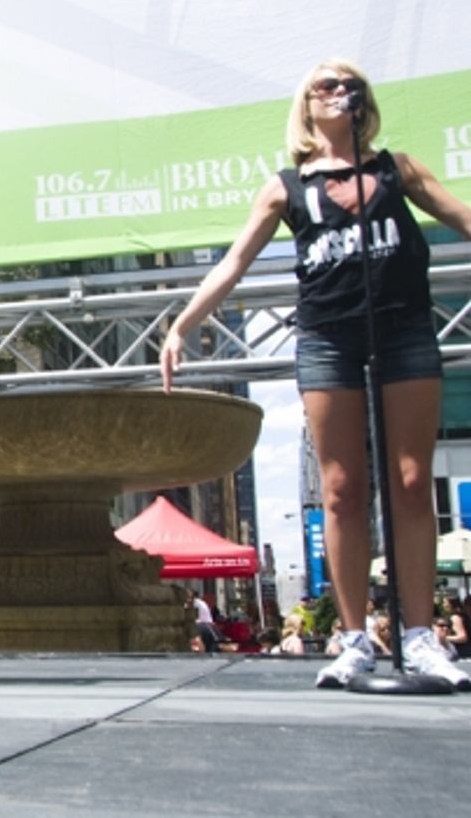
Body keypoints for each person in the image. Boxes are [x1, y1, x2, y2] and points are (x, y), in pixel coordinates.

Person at [161, 58, 471, 690]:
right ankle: (354, 639)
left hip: (405, 329)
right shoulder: (285, 187)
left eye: (349, 85)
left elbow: (462, 215)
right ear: (306, 107)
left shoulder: (397, 168)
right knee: (340, 489)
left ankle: (419, 634)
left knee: (412, 482)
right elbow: (234, 263)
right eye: (325, 86)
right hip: (329, 337)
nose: (339, 92)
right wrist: (182, 323)